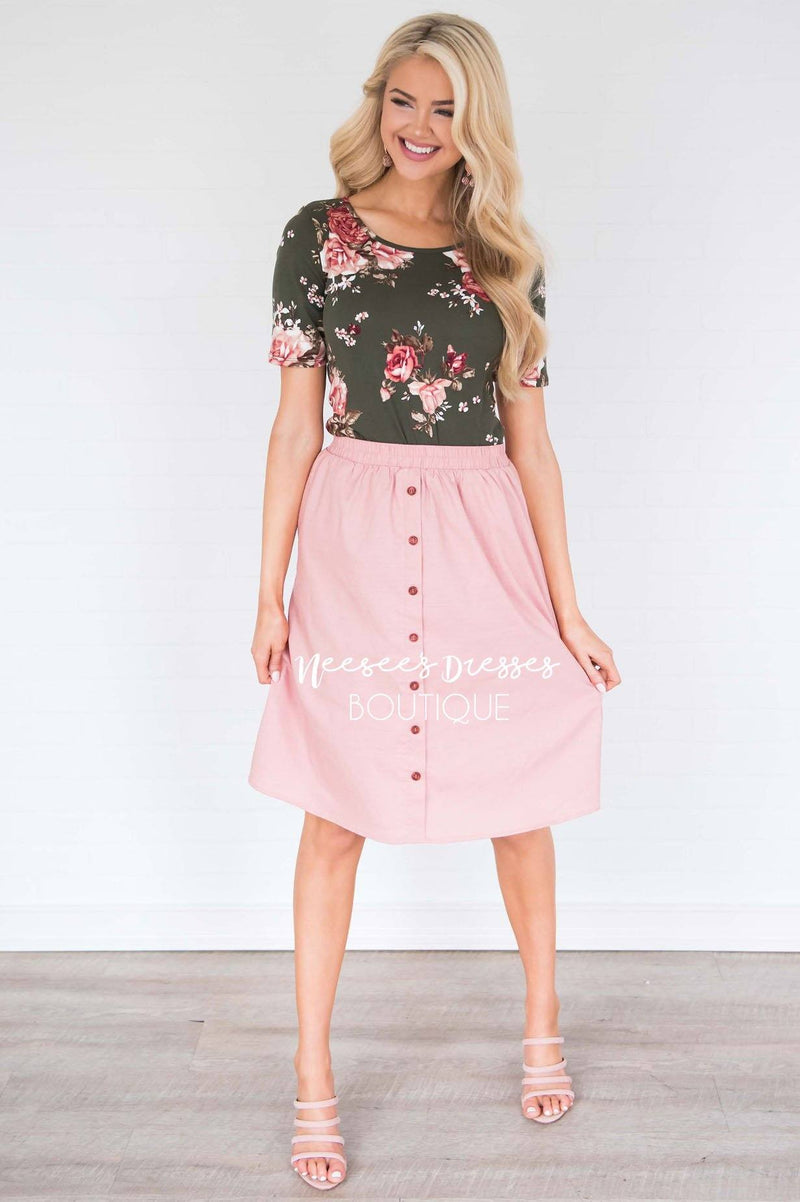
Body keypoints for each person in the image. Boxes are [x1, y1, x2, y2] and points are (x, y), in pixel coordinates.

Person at [249, 13, 621, 1191]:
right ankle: (312, 1070)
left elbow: (533, 445)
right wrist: (268, 592)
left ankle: (540, 1022)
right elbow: (293, 428)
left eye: (446, 108)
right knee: (331, 810)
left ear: (477, 122)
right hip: (352, 543)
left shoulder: (505, 254)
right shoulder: (316, 237)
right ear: (377, 103)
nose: (419, 126)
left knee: (520, 795)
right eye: (403, 100)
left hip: (481, 539)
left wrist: (566, 609)